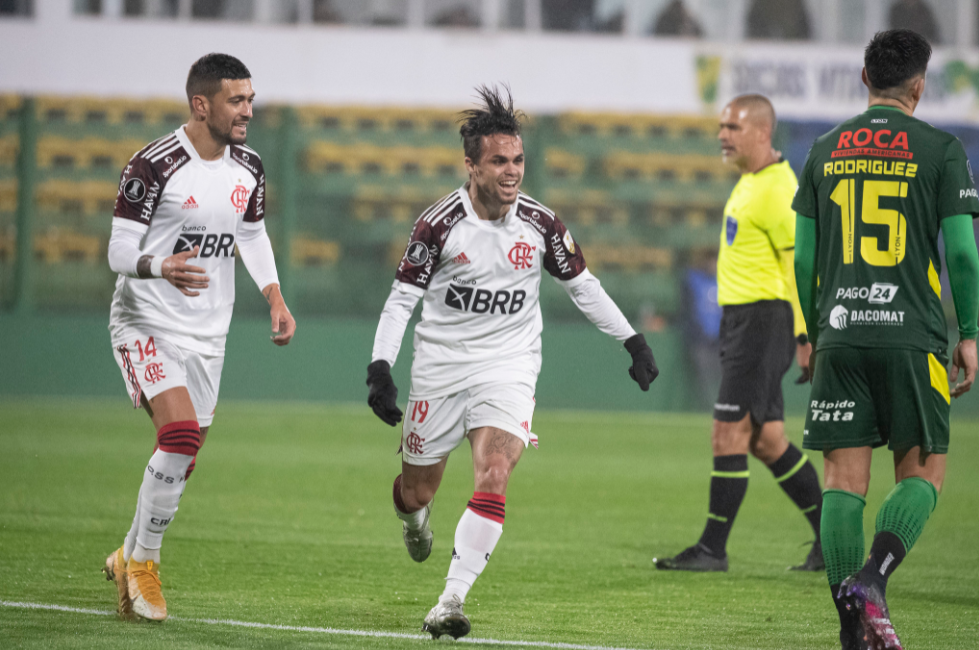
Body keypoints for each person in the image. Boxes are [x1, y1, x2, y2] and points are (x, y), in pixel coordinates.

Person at [366, 85, 658, 640]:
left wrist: (633, 341)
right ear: (471, 165)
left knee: (494, 475)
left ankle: (450, 600)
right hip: (441, 369)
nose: (512, 170)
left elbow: (584, 287)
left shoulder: (541, 224)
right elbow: (401, 299)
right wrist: (380, 368)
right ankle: (412, 521)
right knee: (417, 491)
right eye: (499, 160)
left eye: (518, 159)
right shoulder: (438, 225)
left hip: (509, 366)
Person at [793, 29, 979, 650]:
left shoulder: (824, 148)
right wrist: (971, 333)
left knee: (843, 481)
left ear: (864, 78)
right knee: (924, 472)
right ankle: (873, 579)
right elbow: (962, 254)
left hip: (839, 331)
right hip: (912, 336)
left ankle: (853, 630)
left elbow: (803, 258)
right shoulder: (942, 149)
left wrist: (819, 327)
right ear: (919, 87)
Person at [101, 53, 296, 622]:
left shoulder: (250, 168)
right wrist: (161, 267)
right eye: (237, 100)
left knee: (185, 454)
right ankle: (145, 566)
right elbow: (117, 252)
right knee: (180, 433)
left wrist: (274, 295)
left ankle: (125, 554)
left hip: (210, 333)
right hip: (146, 322)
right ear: (200, 104)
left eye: (251, 99)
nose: (248, 111)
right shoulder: (152, 164)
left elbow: (253, 234)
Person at [655, 94, 825, 573]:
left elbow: (801, 266)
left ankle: (712, 548)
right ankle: (831, 539)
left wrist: (806, 333)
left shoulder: (777, 189)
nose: (722, 135)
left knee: (727, 431)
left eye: (733, 126)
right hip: (747, 321)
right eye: (722, 126)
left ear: (762, 133)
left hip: (762, 322)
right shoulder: (753, 182)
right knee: (767, 440)